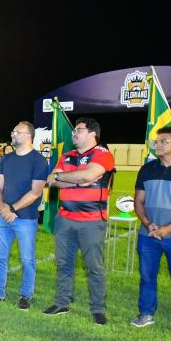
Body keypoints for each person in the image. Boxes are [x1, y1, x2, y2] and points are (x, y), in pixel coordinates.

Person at [44, 117, 115, 325]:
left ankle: (98, 309)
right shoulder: (67, 155)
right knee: (64, 263)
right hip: (65, 219)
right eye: (74, 130)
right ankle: (62, 302)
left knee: (94, 267)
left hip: (92, 221)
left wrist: (65, 177)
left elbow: (89, 175)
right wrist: (78, 178)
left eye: (79, 130)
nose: (74, 133)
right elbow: (52, 180)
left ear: (93, 134)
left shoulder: (102, 153)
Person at [0, 121, 48, 309]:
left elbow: (35, 192)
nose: (12, 135)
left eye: (16, 132)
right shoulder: (6, 160)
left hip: (25, 219)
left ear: (28, 136)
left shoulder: (38, 160)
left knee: (27, 259)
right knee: (0, 257)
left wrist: (12, 209)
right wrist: (2, 207)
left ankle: (26, 295)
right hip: (3, 217)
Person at [131, 126, 171, 328]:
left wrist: (168, 229)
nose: (157, 145)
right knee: (147, 276)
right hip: (148, 234)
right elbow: (138, 202)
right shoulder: (147, 169)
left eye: (163, 141)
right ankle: (146, 313)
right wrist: (149, 225)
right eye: (157, 142)